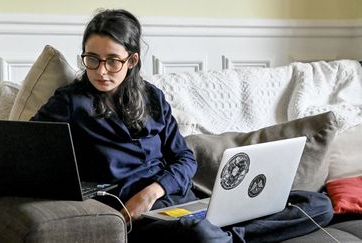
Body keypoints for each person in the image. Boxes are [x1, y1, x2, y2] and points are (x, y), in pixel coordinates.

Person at [31, 9, 334, 243]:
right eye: (92, 59)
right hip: (139, 217)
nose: (101, 70)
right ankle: (225, 234)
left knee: (318, 203)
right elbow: (28, 143)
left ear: (132, 60)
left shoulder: (152, 96)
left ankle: (230, 234)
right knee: (200, 234)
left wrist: (153, 190)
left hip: (178, 199)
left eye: (113, 61)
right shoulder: (70, 102)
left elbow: (184, 158)